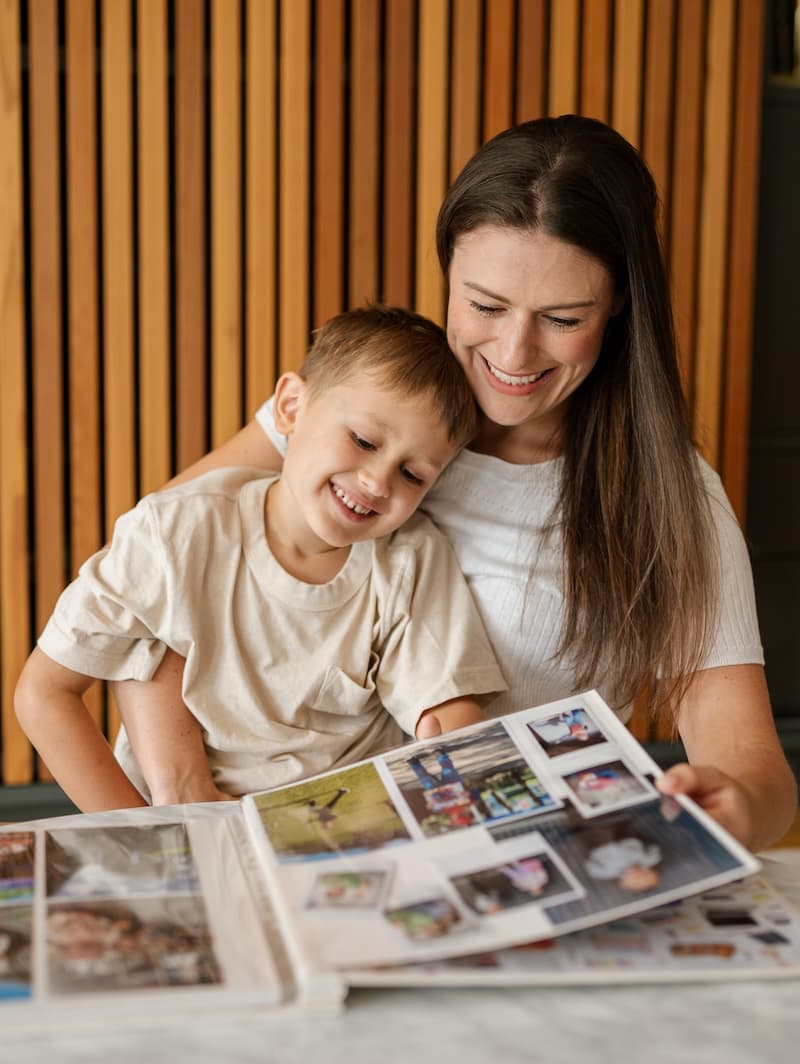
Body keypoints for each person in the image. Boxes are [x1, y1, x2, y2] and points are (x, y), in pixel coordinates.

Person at [47, 115, 799, 849]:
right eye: (484, 305)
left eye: (563, 318)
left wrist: (738, 805)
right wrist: (180, 800)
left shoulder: (666, 496)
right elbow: (153, 569)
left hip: (465, 858)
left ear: (619, 306)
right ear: (448, 273)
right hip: (204, 831)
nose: (513, 349)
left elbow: (751, 762)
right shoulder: (355, 419)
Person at [14, 306, 507, 811]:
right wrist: (140, 835)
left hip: (342, 840)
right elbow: (43, 694)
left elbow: (444, 707)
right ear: (291, 406)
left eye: (413, 475)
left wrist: (455, 745)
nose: (377, 482)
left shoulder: (411, 560)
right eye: (362, 441)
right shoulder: (174, 532)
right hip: (189, 828)